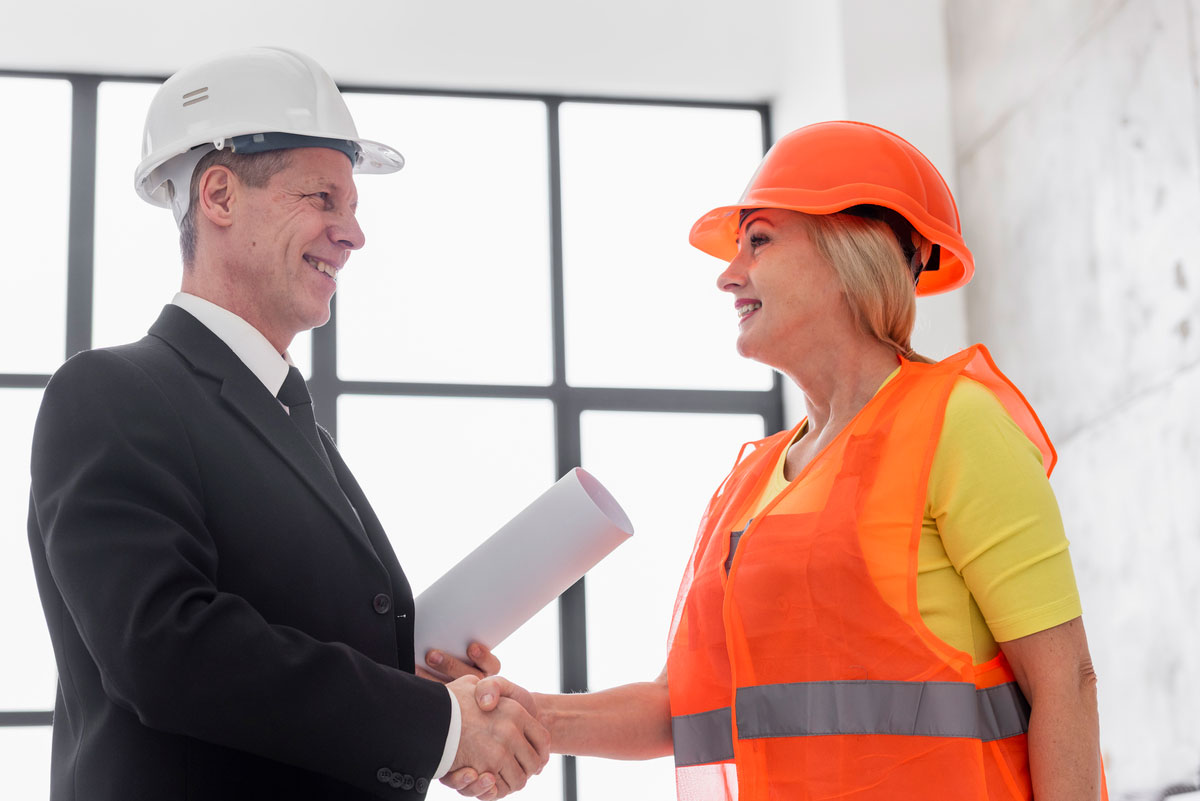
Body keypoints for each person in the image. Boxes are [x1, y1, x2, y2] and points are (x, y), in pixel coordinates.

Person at [447, 121, 1107, 800]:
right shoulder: (750, 481)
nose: (729, 276)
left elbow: (1066, 681)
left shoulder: (955, 423)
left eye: (758, 241)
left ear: (852, 253)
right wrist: (519, 712)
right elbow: (680, 702)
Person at [27, 47, 547, 801]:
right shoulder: (111, 392)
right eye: (323, 199)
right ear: (219, 195)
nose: (353, 233)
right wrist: (431, 723)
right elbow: (165, 648)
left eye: (354, 208)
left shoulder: (289, 422)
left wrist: (426, 691)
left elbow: (292, 652)